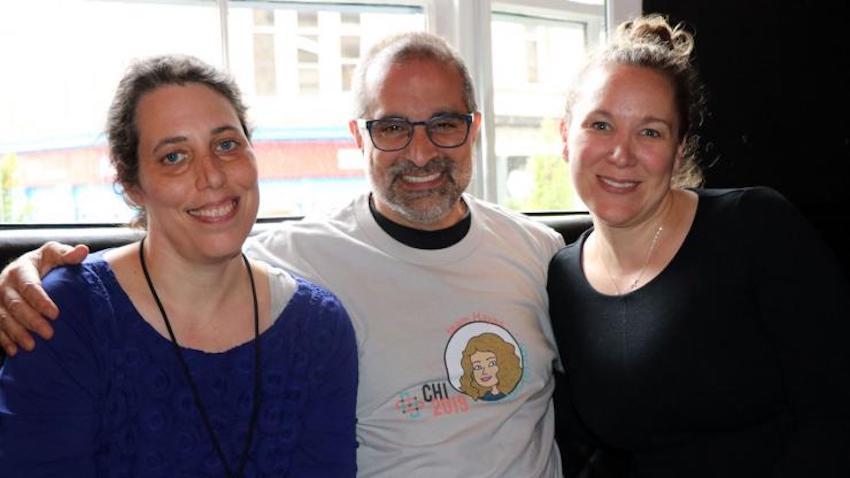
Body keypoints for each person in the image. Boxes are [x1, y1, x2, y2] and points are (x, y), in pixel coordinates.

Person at [0, 33, 566, 477]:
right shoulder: (301, 263)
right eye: (391, 127)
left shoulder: (542, 256)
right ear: (356, 136)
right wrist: (34, 277)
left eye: (444, 124)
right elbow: (185, 251)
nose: (419, 152)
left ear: (475, 130)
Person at [0, 55, 358, 477]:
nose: (212, 177)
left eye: (226, 145)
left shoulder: (318, 328)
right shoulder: (65, 314)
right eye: (174, 157)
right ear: (132, 183)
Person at [548, 14, 850, 477]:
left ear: (680, 149)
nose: (621, 154)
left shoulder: (754, 228)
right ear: (566, 136)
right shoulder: (561, 278)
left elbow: (834, 414)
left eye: (650, 131)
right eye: (601, 125)